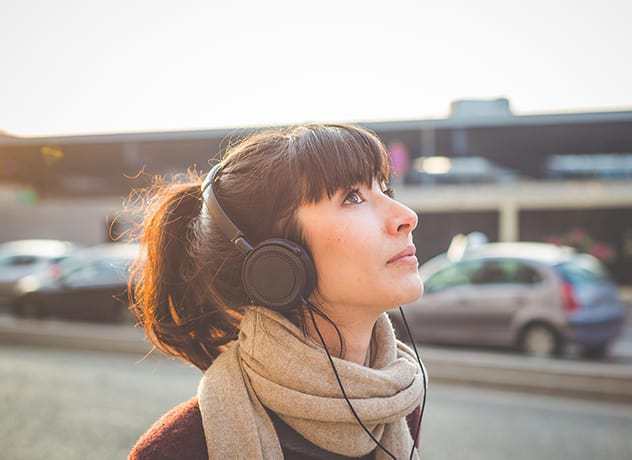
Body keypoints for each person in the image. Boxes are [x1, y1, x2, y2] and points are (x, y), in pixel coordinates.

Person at [127, 124, 428, 460]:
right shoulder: (179, 451)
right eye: (352, 197)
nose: (407, 217)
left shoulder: (396, 407)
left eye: (386, 190)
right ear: (277, 263)